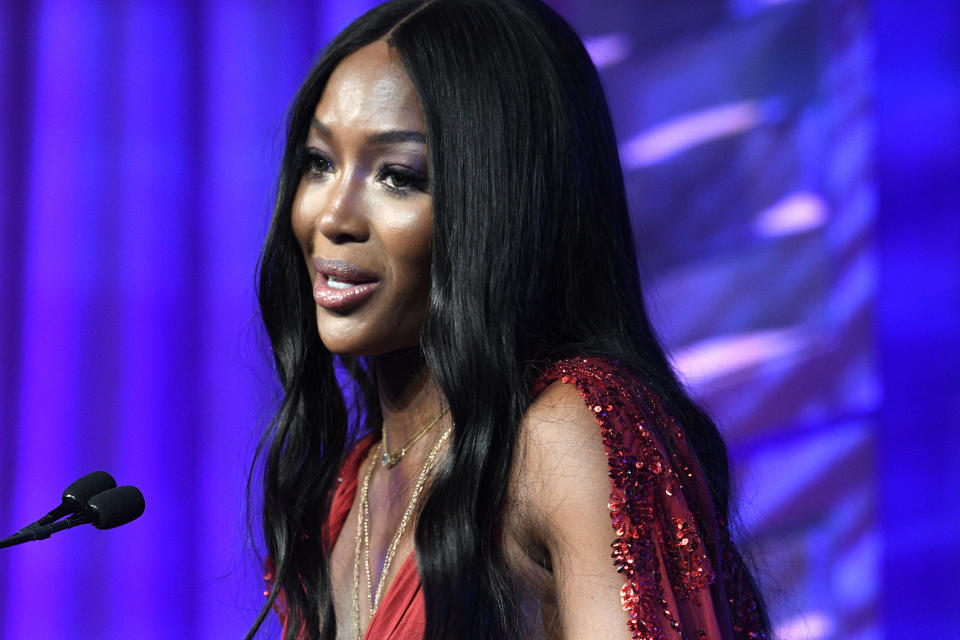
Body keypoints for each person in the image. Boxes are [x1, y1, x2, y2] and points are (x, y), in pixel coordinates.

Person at [249, 1, 771, 639]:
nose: (333, 217)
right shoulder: (342, 494)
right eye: (320, 163)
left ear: (501, 203)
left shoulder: (565, 433)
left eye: (397, 176)